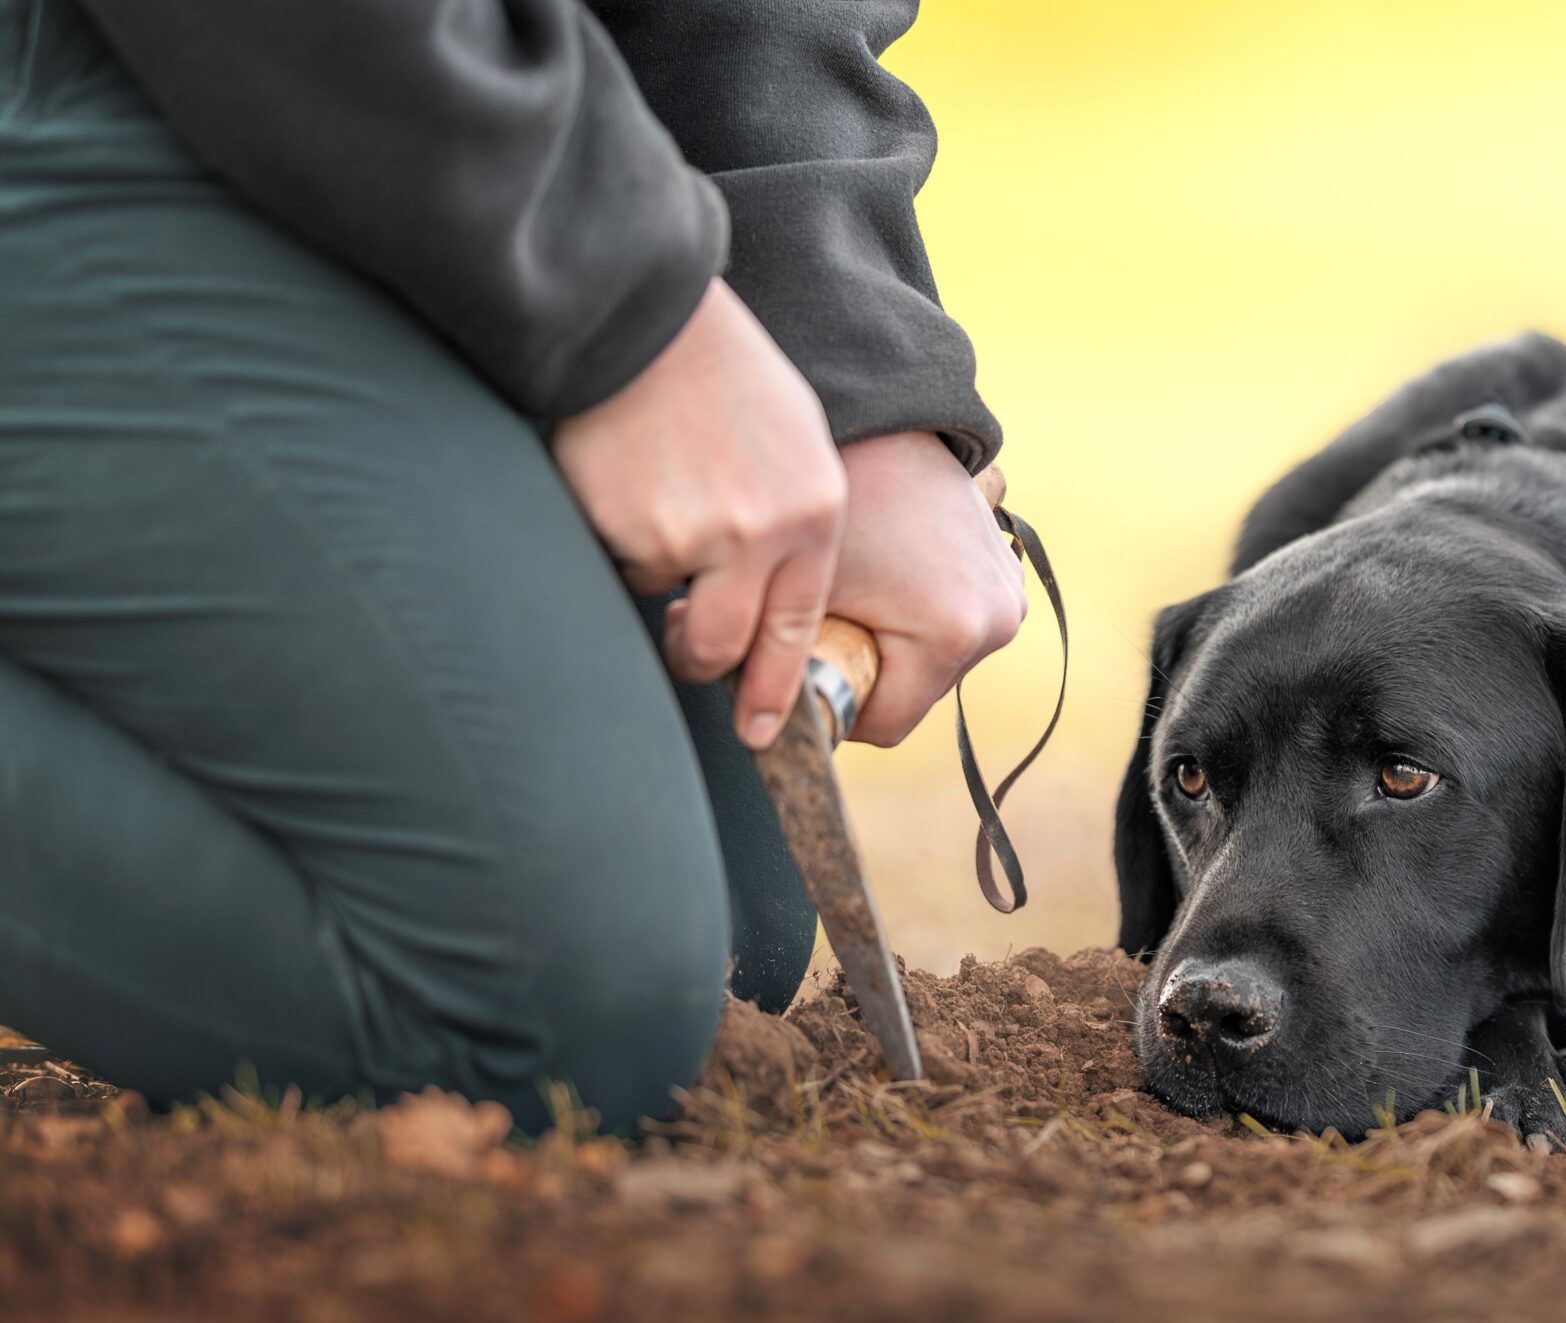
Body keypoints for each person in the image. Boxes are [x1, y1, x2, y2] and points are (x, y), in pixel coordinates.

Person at [0, 0, 1026, 1129]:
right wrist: (619, 297)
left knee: (727, 936)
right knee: (548, 999)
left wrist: (844, 369)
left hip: (391, 99)